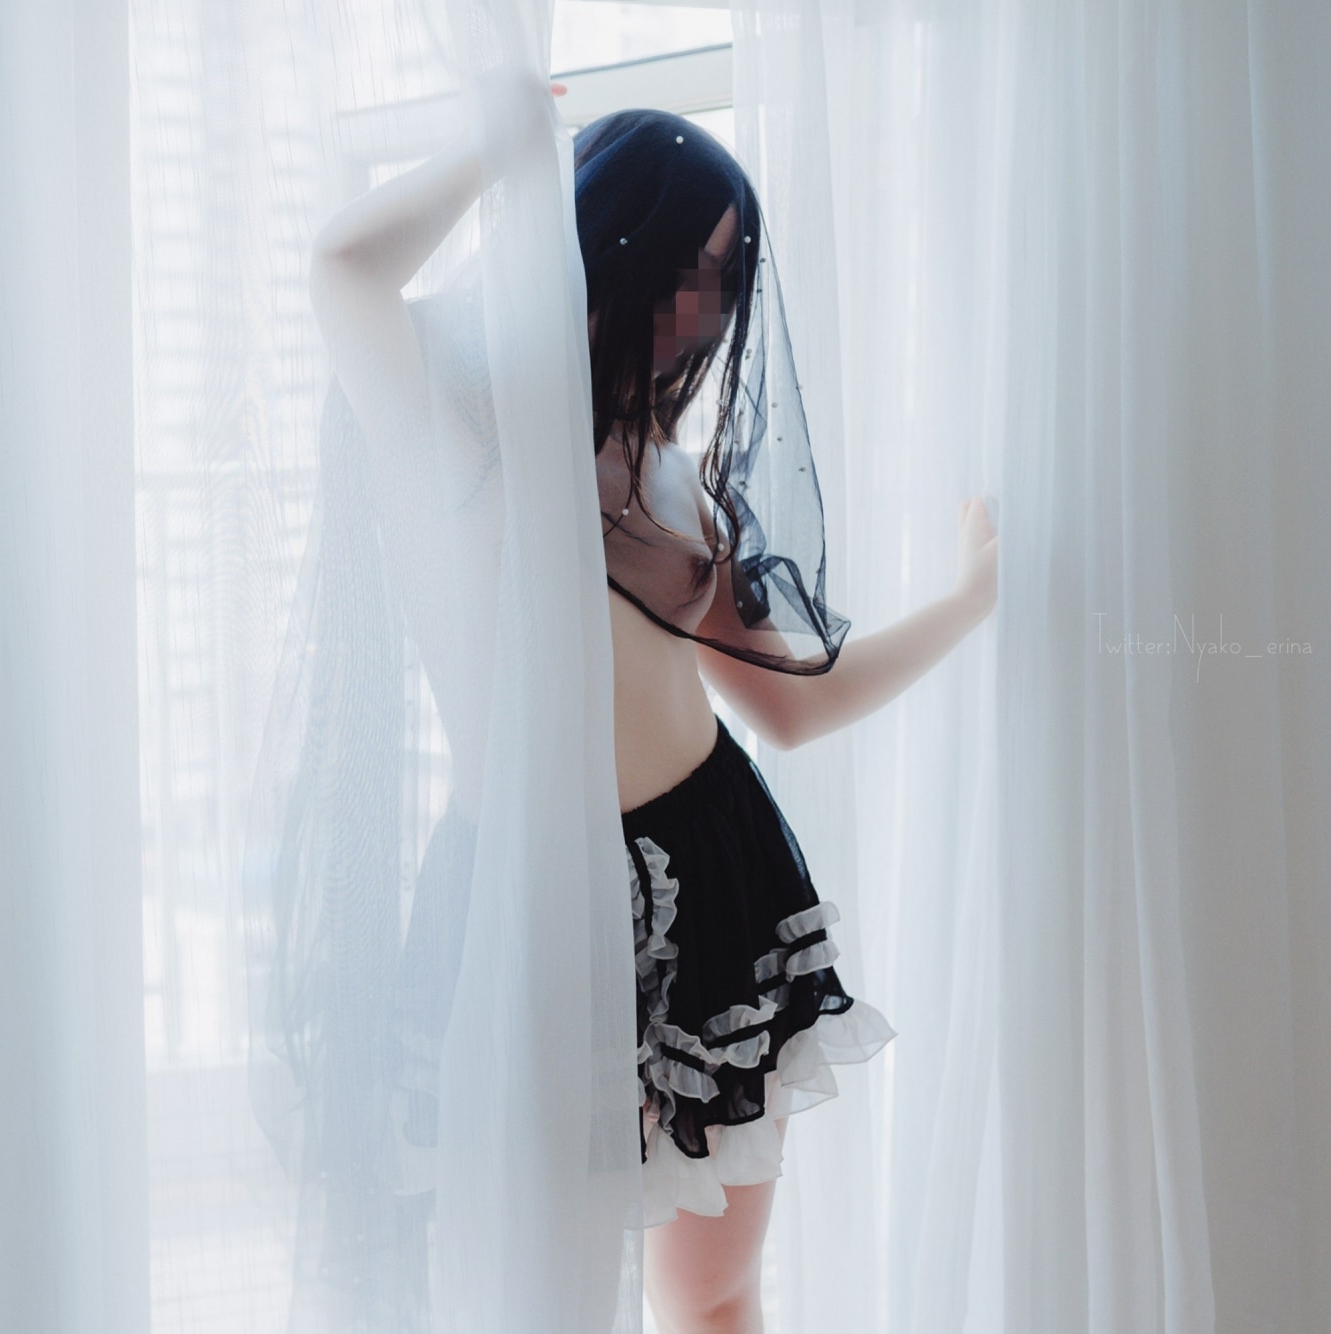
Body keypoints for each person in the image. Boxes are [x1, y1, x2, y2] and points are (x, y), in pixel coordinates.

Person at [306, 79, 996, 1334]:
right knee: (530, 1292)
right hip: (524, 896)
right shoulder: (452, 417)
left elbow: (791, 703)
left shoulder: (672, 480)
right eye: (680, 267)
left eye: (724, 279)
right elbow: (342, 269)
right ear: (596, 240)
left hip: (715, 868)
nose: (700, 313)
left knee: (711, 1292)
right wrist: (494, 141)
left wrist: (966, 602)